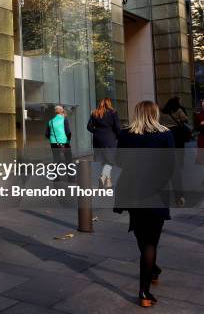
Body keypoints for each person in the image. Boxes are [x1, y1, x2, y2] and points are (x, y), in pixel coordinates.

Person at [113, 101, 175, 307]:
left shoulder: (126, 134)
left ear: (137, 114)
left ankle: (153, 269)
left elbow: (119, 162)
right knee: (151, 242)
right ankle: (144, 292)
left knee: (142, 236)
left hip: (132, 192)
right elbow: (171, 165)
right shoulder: (165, 134)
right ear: (155, 114)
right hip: (156, 192)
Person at [87, 98, 121, 188]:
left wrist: (97, 131)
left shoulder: (95, 113)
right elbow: (117, 127)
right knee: (110, 161)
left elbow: (89, 127)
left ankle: (108, 182)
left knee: (101, 160)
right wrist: (118, 136)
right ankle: (102, 177)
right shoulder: (113, 112)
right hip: (109, 139)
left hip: (97, 140)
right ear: (109, 103)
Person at [195, 99, 204, 166]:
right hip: (202, 136)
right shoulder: (199, 115)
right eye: (203, 105)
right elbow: (196, 128)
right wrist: (201, 124)